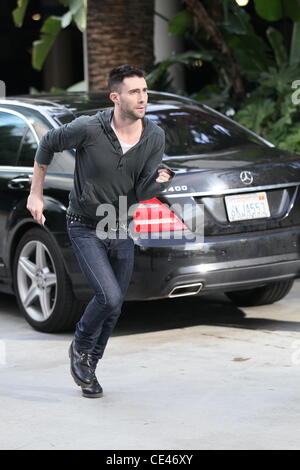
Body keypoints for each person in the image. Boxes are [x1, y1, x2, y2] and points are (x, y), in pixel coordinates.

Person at [27, 64, 174, 398]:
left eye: (145, 90)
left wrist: (159, 182)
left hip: (120, 224)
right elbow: (47, 144)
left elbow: (139, 192)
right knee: (108, 296)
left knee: (115, 305)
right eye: (134, 91)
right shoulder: (89, 128)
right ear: (115, 97)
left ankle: (89, 366)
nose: (142, 98)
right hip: (84, 226)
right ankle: (80, 347)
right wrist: (35, 192)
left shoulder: (154, 136)